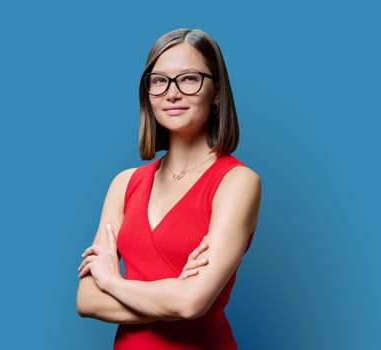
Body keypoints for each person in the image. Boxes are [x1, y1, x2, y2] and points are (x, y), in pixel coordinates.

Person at [76, 28, 261, 349]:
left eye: (189, 79)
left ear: (216, 91)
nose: (171, 93)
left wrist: (111, 282)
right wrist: (174, 295)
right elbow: (88, 300)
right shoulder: (124, 184)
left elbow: (192, 303)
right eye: (159, 80)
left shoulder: (237, 182)